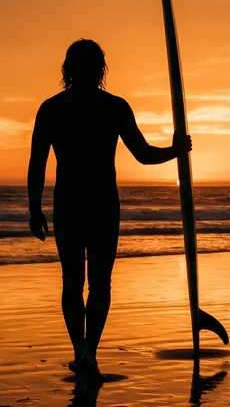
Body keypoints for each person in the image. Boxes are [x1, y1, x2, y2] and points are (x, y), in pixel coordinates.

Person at [27, 39, 191, 382]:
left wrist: (35, 208)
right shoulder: (113, 107)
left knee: (72, 282)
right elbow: (144, 155)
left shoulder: (52, 108)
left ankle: (80, 352)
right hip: (102, 203)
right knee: (100, 283)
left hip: (69, 203)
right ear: (101, 69)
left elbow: (37, 164)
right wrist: (175, 151)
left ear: (67, 69)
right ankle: (89, 353)